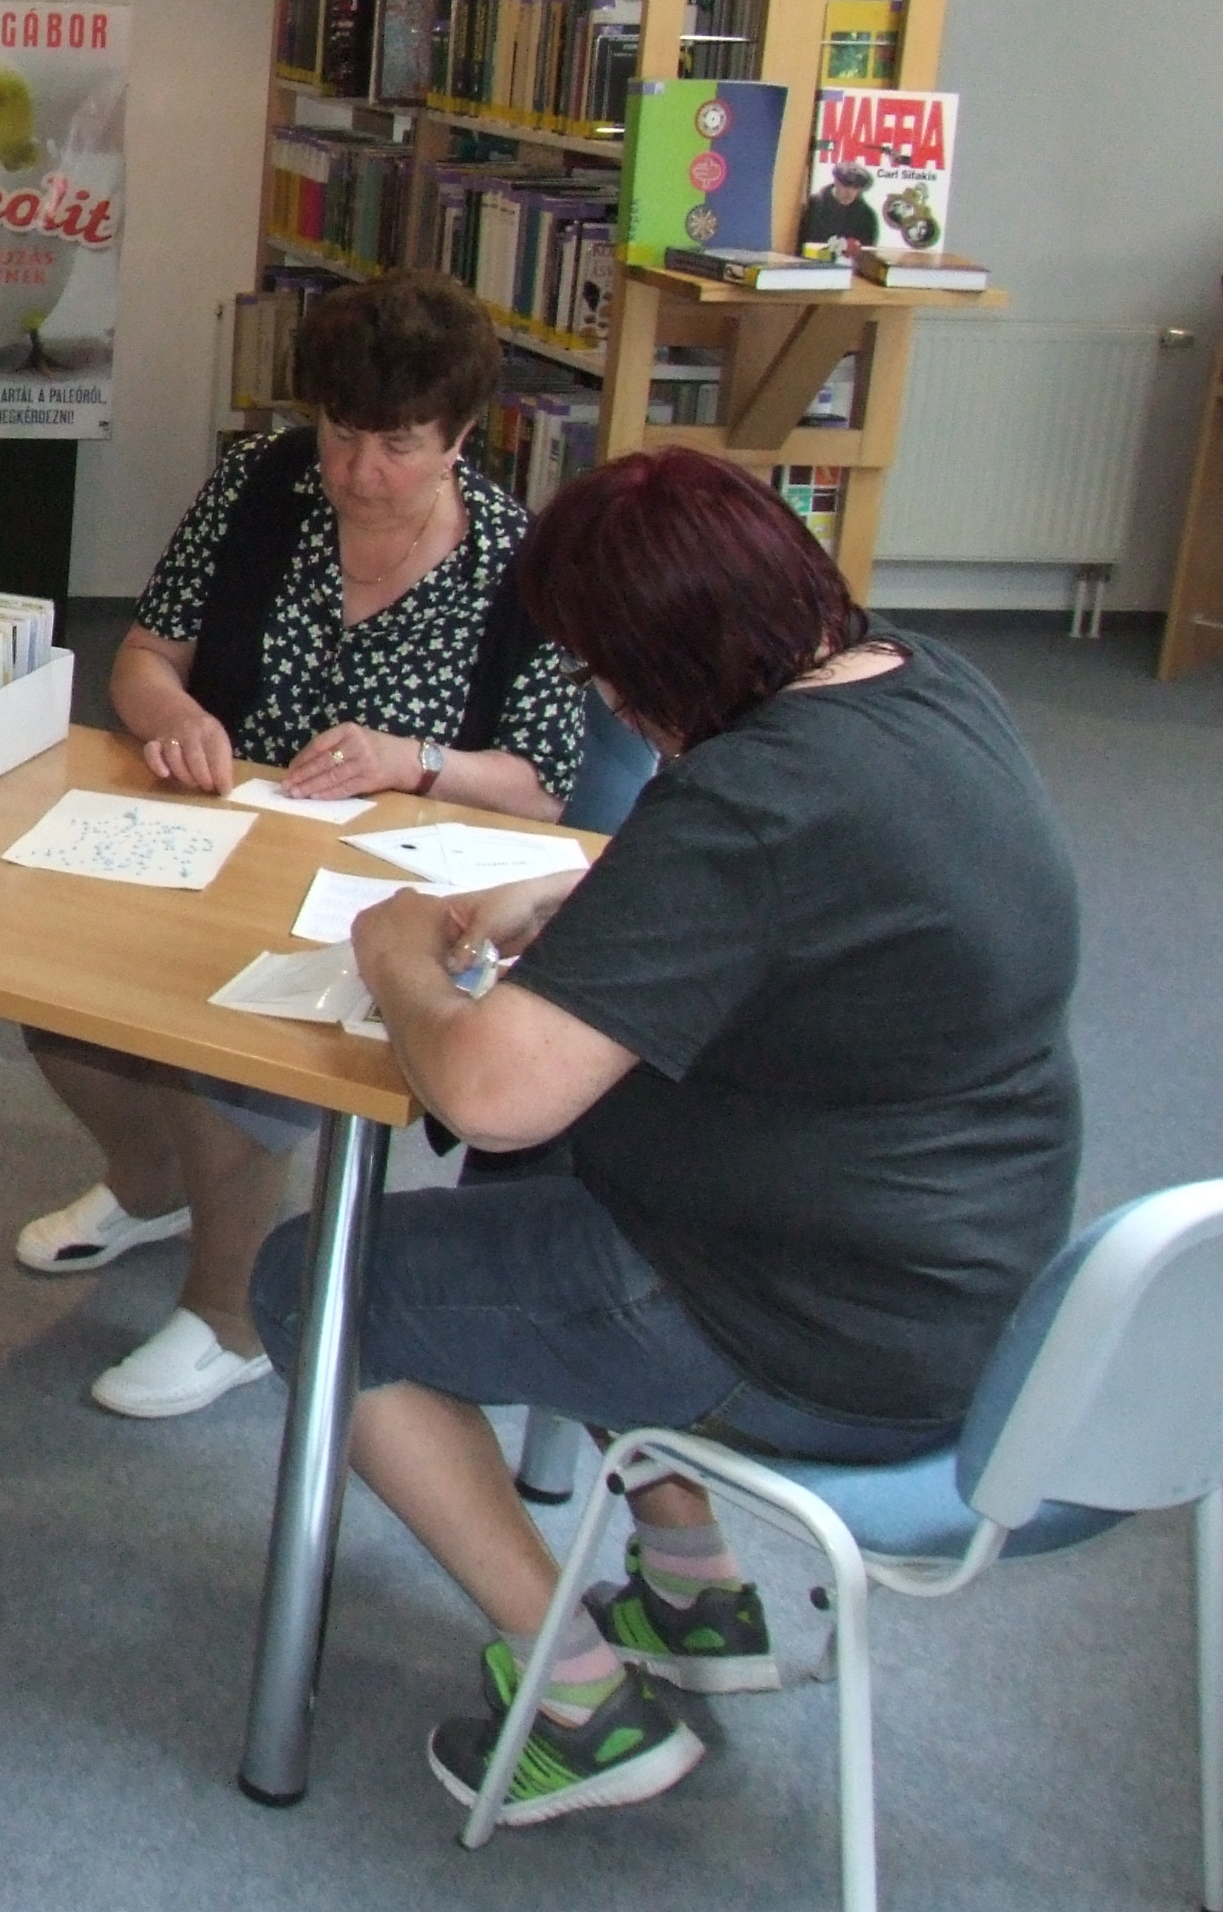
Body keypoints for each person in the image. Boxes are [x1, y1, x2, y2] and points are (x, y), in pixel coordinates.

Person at [257, 447, 1080, 1826]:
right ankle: (693, 1593)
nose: (607, 705)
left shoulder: (755, 797)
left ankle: (575, 1702)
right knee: (557, 1158)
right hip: (964, 1262)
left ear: (670, 657)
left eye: (606, 671)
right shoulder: (918, 684)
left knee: (315, 1283)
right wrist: (577, 905)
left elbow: (487, 1091)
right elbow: (795, 903)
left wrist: (394, 949)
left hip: (819, 1329)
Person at [16, 271, 583, 1418]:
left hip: (397, 884)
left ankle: (228, 1316)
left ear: (458, 438)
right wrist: (175, 718)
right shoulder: (259, 487)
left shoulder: (516, 559)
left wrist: (410, 758)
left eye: (397, 446)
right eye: (338, 433)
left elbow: (539, 783)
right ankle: (155, 1183)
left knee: (222, 1045)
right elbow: (146, 656)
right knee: (52, 989)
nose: (356, 472)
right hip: (221, 833)